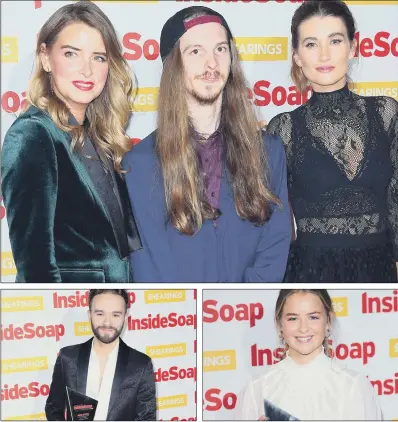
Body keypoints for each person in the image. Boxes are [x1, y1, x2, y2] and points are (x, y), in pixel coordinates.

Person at [123, 6, 291, 283]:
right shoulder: (139, 165)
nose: (211, 63)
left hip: (245, 317)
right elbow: (148, 267)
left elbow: (274, 245)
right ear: (173, 65)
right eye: (196, 51)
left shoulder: (268, 152)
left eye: (220, 49)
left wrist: (237, 308)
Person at [1, 1, 142, 282]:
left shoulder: (100, 136)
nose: (87, 71)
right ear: (45, 57)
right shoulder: (33, 136)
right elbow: (34, 268)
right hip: (71, 315)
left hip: (114, 307)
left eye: (99, 57)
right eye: (71, 54)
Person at [267, 0, 398, 282]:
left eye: (335, 41)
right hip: (312, 272)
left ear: (353, 48)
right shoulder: (283, 129)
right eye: (312, 44)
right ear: (297, 56)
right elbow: (269, 219)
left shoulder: (386, 114)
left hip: (381, 270)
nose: (324, 55)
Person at [236, 289, 383, 420]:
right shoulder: (257, 388)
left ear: (328, 321)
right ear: (280, 324)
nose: (303, 328)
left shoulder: (353, 386)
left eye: (313, 317)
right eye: (293, 318)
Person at [45, 289, 156, 421]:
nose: (107, 323)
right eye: (100, 314)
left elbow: (147, 418)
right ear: (89, 315)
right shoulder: (67, 358)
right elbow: (53, 407)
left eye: (115, 315)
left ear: (125, 318)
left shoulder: (141, 364)